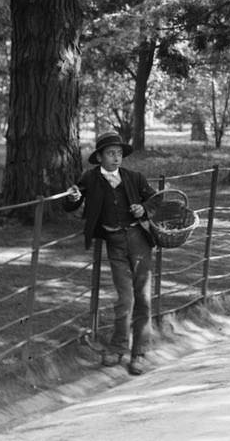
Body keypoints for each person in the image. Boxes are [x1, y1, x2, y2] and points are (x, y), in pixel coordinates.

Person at [65, 129, 158, 375]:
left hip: (138, 240)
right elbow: (71, 202)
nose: (116, 158)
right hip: (114, 242)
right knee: (125, 298)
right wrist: (74, 197)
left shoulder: (134, 177)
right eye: (110, 154)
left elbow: (155, 202)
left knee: (143, 298)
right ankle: (118, 348)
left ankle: (139, 352)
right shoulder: (91, 178)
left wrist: (143, 209)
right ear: (100, 157)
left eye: (119, 153)